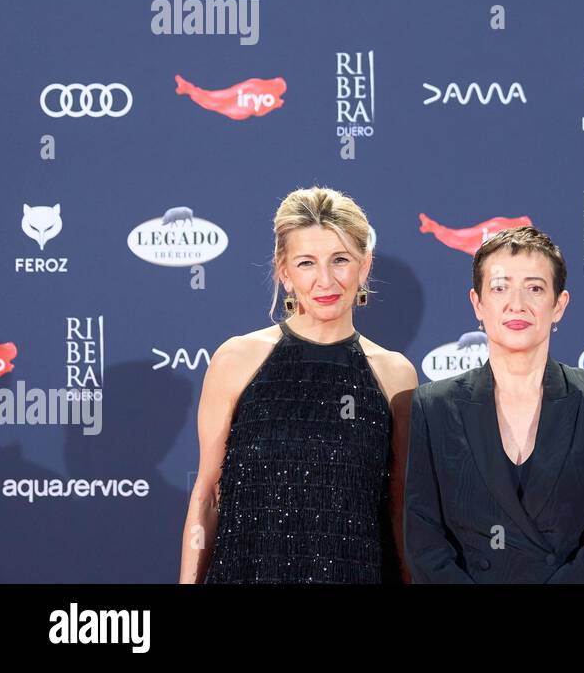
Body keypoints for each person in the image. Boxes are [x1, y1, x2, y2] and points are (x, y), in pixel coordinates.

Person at [178, 187, 418, 583]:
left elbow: (399, 510)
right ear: (284, 273)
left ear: (364, 267)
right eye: (307, 263)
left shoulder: (395, 375)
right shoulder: (237, 360)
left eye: (340, 260)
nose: (325, 280)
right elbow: (207, 497)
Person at [404, 226, 584, 583]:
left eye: (535, 288)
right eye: (500, 288)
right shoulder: (434, 406)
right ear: (477, 303)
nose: (517, 304)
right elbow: (424, 539)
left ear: (559, 305)